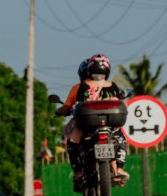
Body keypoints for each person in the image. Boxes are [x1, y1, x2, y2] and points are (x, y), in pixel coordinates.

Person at [55, 54, 129, 184]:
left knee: (71, 144)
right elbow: (120, 103)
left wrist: (58, 111)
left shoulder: (79, 87)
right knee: (122, 141)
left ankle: (78, 172)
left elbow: (67, 107)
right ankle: (119, 169)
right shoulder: (113, 86)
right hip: (109, 124)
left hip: (86, 124)